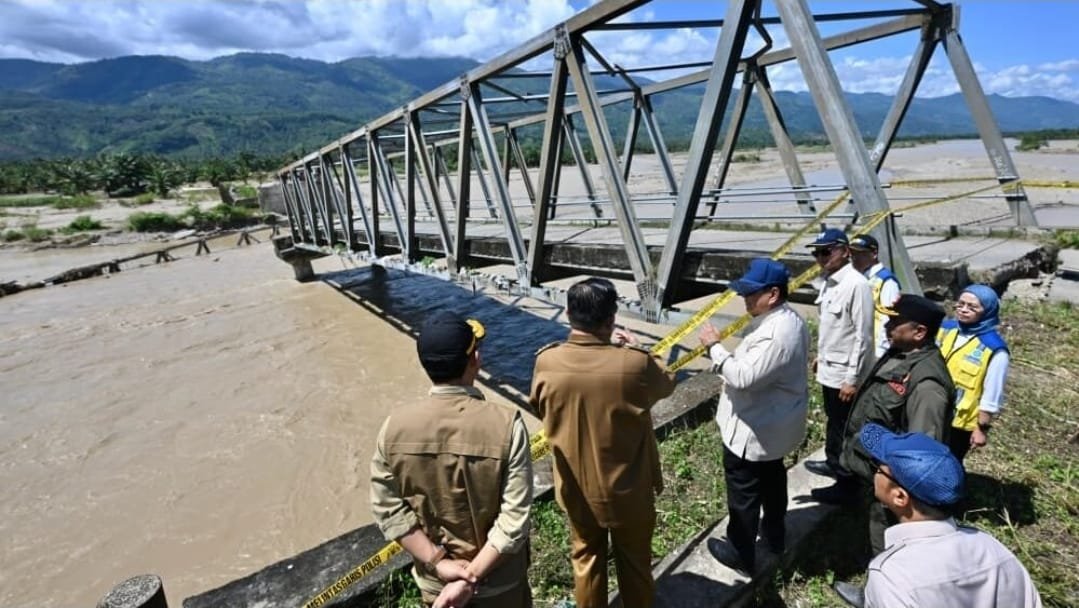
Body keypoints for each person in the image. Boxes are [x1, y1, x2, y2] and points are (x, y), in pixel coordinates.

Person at [529, 277, 676, 608]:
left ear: (568, 313)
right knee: (636, 563)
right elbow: (666, 383)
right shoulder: (635, 363)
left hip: (576, 488)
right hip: (630, 488)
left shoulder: (547, 362)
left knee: (586, 560)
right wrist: (641, 348)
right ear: (611, 320)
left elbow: (539, 407)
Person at [370, 311, 533, 607]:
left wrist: (440, 562)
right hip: (500, 584)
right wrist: (472, 576)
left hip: (439, 586)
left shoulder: (393, 428)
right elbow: (514, 519)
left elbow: (387, 509)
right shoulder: (507, 424)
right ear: (475, 360)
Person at [822, 295, 956, 606]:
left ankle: (883, 597)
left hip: (897, 487)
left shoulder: (927, 385)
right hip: (878, 475)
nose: (888, 326)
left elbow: (923, 453)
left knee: (890, 542)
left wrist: (897, 493)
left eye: (895, 322)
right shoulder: (902, 354)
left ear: (919, 332)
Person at [697, 258, 809, 575]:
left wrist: (714, 347)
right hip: (772, 426)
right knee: (773, 482)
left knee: (743, 494)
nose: (744, 299)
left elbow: (743, 377)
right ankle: (775, 537)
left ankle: (740, 552)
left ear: (772, 294)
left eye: (751, 293)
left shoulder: (776, 333)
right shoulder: (789, 319)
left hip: (752, 430)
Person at [858, 423, 1043, 608]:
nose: (875, 473)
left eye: (878, 468)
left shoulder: (891, 577)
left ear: (899, 496)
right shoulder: (994, 549)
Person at [804, 228, 875, 484]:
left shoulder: (856, 285)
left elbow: (862, 336)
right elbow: (834, 328)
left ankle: (845, 480)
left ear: (845, 251)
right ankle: (833, 463)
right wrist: (820, 357)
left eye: (826, 251)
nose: (821, 258)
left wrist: (852, 379)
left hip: (844, 374)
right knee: (835, 422)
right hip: (830, 368)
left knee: (845, 427)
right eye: (817, 253)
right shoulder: (830, 282)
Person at [938, 284, 1010, 462]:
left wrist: (981, 428)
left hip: (958, 422)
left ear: (987, 311)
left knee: (947, 464)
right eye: (960, 304)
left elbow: (992, 394)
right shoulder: (945, 329)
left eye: (972, 307)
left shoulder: (994, 349)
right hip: (930, 408)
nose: (963, 310)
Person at [849, 234, 901, 359]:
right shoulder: (857, 277)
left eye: (860, 254)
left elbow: (888, 318)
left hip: (875, 351)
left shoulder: (886, 281)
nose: (855, 258)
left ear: (874, 253)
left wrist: (880, 352)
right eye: (852, 254)